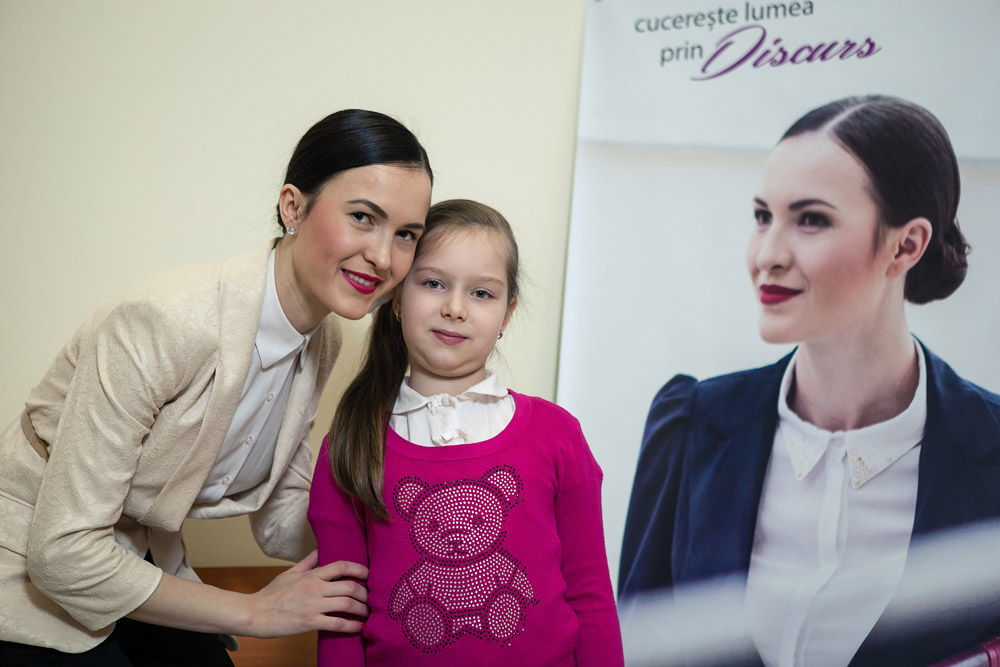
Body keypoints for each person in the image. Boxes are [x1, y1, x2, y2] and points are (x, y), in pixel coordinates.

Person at [0, 109, 433, 665]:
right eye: (363, 217)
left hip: (138, 562)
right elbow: (62, 553)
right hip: (30, 563)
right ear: (293, 206)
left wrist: (416, 534)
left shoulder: (322, 338)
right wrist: (253, 612)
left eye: (406, 235)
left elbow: (280, 517)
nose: (383, 257)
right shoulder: (163, 321)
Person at [619, 95, 1000, 666]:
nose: (768, 255)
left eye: (811, 219)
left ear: (906, 245)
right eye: (762, 217)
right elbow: (635, 645)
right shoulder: (690, 425)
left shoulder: (991, 451)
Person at [307, 199, 624, 666]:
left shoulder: (558, 434)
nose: (454, 308)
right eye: (433, 283)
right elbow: (340, 619)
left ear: (507, 314)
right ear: (397, 298)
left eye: (481, 293)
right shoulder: (351, 445)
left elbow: (591, 595)